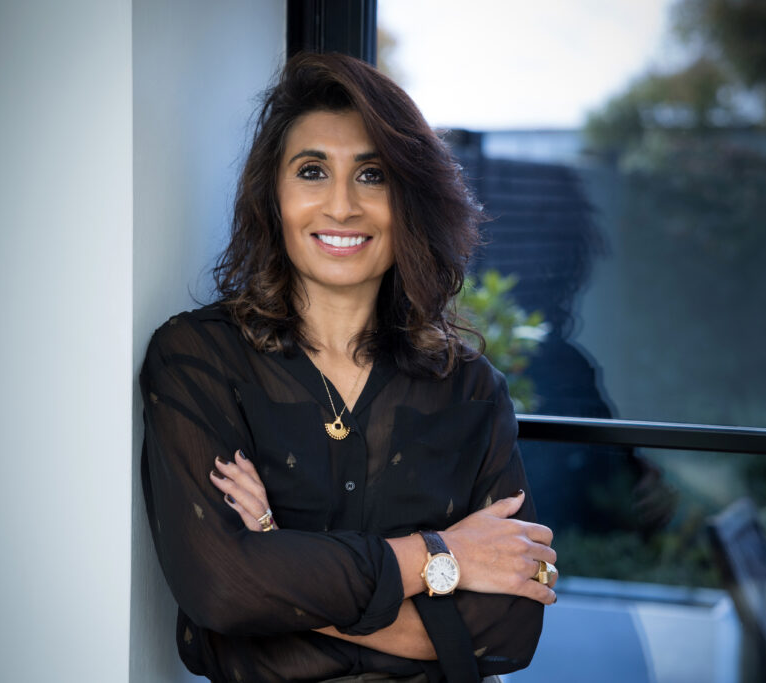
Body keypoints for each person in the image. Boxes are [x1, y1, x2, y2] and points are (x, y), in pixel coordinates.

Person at [140, 52, 557, 683]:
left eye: (372, 175)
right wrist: (442, 557)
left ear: (409, 200)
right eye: (312, 171)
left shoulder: (470, 389)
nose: (342, 206)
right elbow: (223, 589)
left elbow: (509, 630)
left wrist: (277, 560)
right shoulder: (198, 359)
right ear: (273, 196)